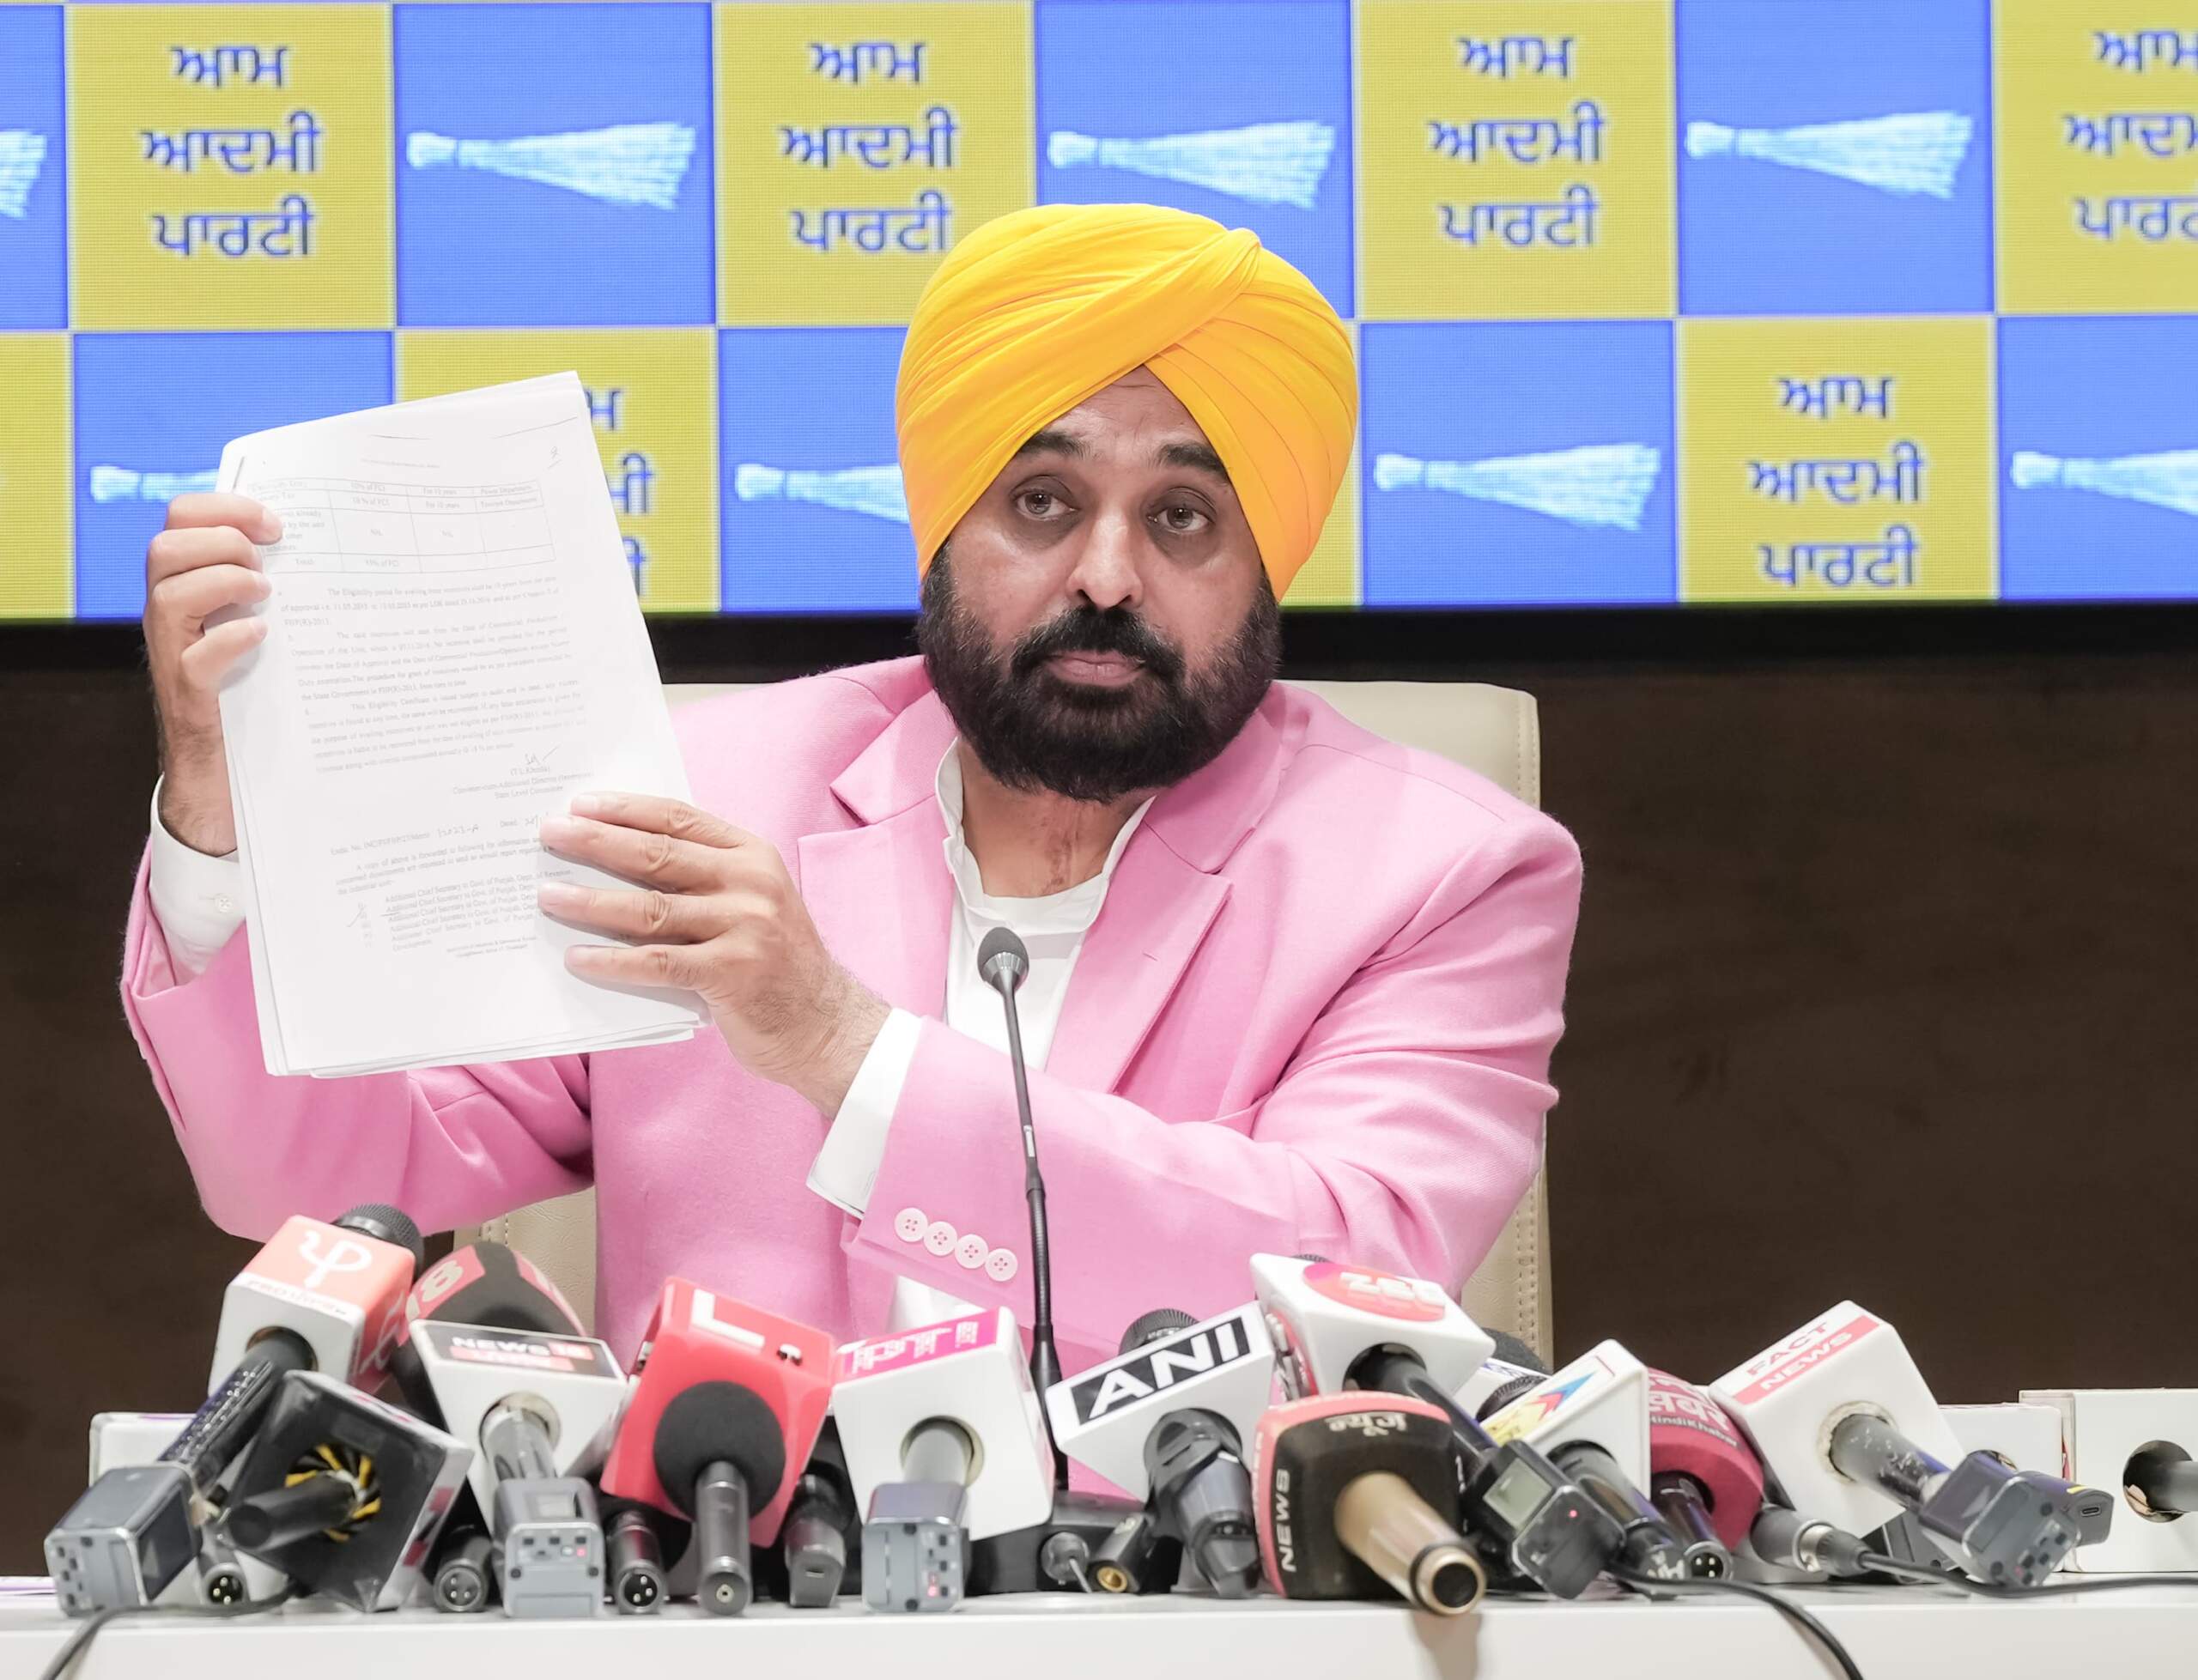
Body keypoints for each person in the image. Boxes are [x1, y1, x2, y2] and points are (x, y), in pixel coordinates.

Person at [121, 203, 1583, 1370]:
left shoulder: (1441, 873)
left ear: (1271, 561)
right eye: (1042, 500)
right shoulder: (700, 798)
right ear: (941, 527)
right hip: (730, 1584)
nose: (1106, 574)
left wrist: (838, 1042)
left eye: (1185, 516)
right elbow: (299, 1178)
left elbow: (1350, 1277)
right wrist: (221, 821)